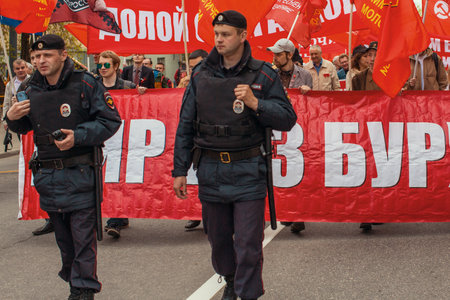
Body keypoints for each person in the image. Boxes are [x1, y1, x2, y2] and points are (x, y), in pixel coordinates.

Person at [172, 11, 297, 300]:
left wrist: (256, 103)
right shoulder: (201, 73)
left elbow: (288, 118)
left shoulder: (263, 73)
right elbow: (185, 124)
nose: (219, 39)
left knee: (248, 241)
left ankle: (247, 292)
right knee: (218, 239)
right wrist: (180, 170)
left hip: (248, 170)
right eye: (216, 33)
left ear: (243, 36)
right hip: (211, 169)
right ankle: (230, 278)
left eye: (226, 34)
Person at [5, 34, 121, 299]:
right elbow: (24, 126)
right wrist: (11, 118)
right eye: (35, 57)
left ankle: (84, 290)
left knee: (83, 240)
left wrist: (77, 136)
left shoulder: (86, 83)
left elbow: (110, 121)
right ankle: (76, 284)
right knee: (65, 243)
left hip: (81, 173)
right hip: (48, 176)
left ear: (63, 54)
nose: (40, 61)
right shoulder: (31, 89)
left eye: (46, 55)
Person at [267, 38, 312, 233]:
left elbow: (315, 105)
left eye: (278, 53)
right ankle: (286, 211)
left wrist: (309, 92)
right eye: (274, 54)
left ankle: (299, 214)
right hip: (277, 130)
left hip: (299, 130)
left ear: (289, 55)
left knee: (298, 172)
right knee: (280, 172)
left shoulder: (305, 75)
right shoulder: (270, 75)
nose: (275, 57)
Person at [97, 50, 137, 238]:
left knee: (119, 179)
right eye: (100, 64)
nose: (102, 68)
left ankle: (116, 219)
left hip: (123, 140)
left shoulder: (128, 86)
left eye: (106, 64)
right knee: (104, 180)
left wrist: (140, 94)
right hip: (101, 140)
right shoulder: (93, 86)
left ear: (115, 66)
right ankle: (116, 216)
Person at [174, 49, 208, 230]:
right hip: (197, 144)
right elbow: (184, 126)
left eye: (199, 66)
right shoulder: (190, 84)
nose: (195, 71)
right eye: (192, 67)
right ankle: (197, 214)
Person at [352, 41, 382, 231]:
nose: (371, 59)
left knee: (381, 171)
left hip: (384, 129)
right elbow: (353, 103)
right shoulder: (358, 79)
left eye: (375, 55)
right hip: (364, 131)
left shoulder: (391, 77)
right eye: (369, 55)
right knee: (365, 170)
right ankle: (365, 213)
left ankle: (379, 209)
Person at [2, 59, 30, 130]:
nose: (20, 70)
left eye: (22, 67)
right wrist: (5, 120)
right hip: (18, 119)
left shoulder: (33, 81)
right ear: (14, 70)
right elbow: (6, 103)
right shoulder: (10, 84)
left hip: (31, 118)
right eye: (17, 68)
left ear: (26, 68)